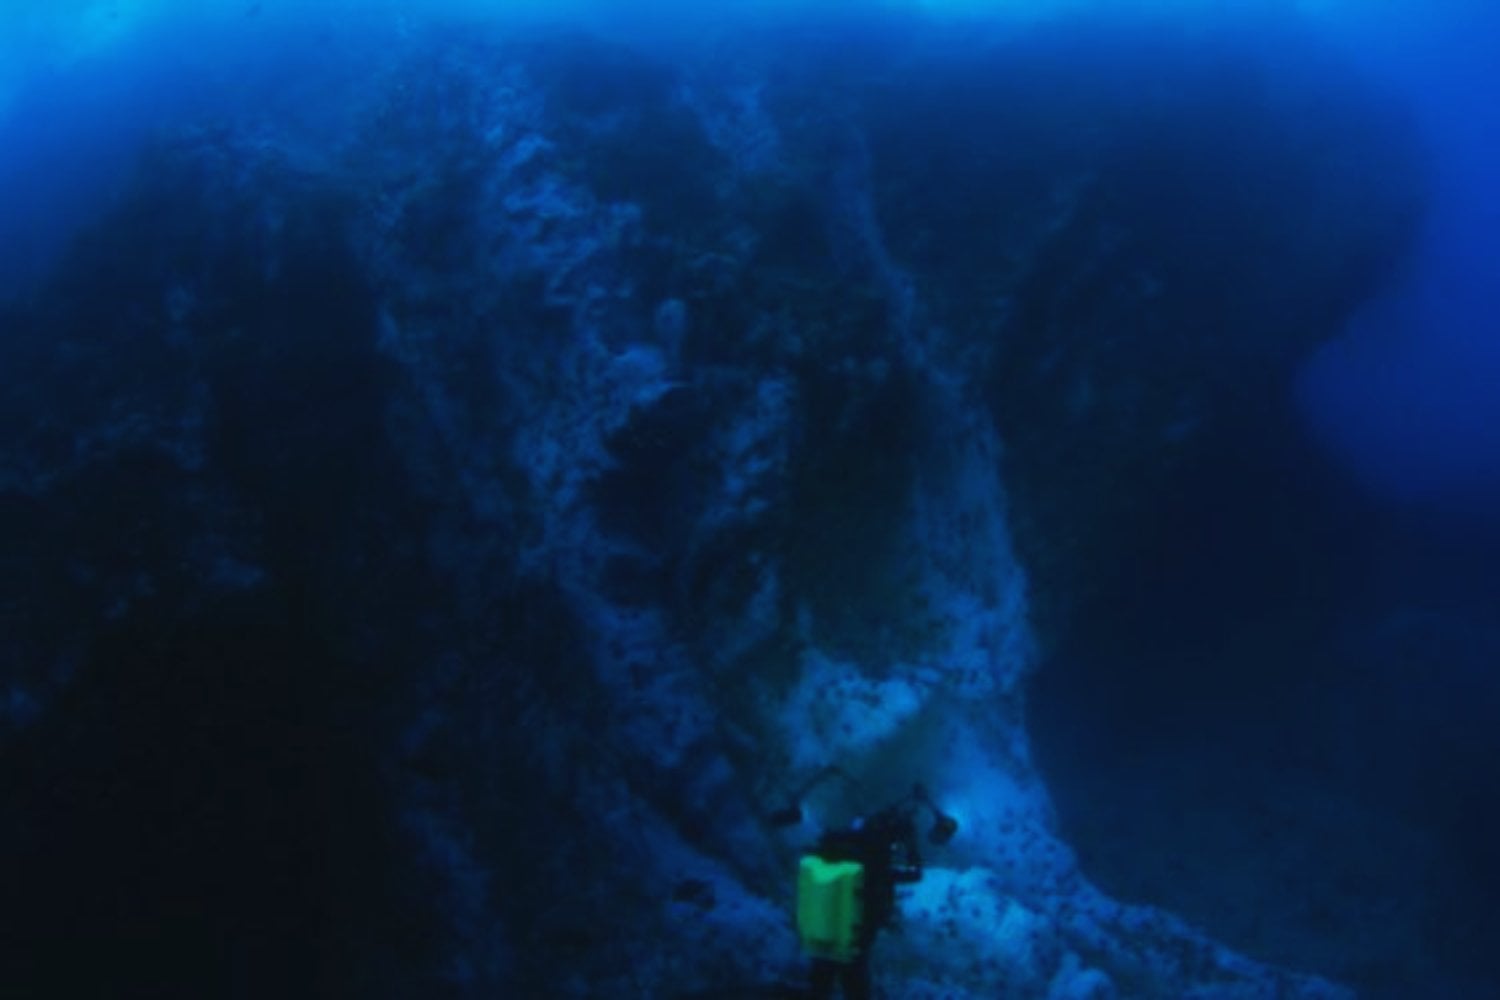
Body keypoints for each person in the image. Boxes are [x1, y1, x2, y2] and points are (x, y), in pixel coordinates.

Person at [799, 802, 925, 1000]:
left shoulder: (840, 846)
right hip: (856, 935)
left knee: (820, 981)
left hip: (825, 926)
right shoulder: (876, 859)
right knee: (855, 986)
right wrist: (911, 842)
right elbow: (915, 873)